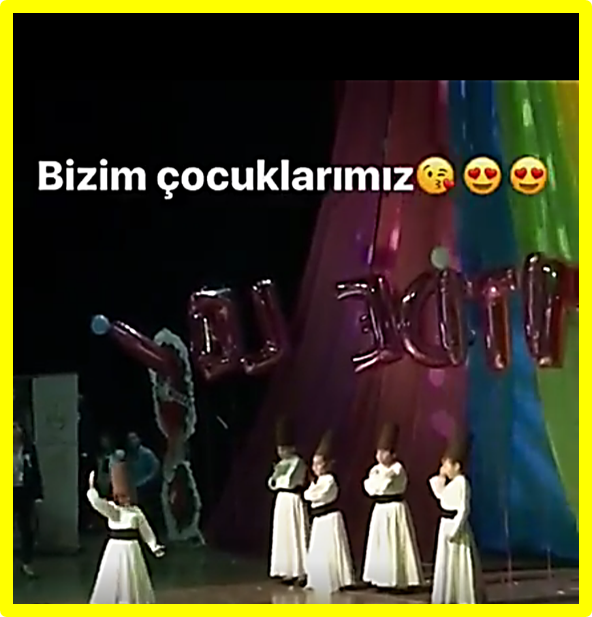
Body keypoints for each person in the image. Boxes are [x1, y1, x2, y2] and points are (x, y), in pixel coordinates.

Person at [87, 461, 165, 603]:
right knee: (115, 576)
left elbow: (145, 530)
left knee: (132, 577)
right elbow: (98, 504)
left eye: (128, 496)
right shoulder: (113, 511)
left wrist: (154, 546)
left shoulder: (136, 512)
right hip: (115, 549)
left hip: (132, 549)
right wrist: (92, 490)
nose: (126, 500)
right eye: (122, 496)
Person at [362, 422, 424, 591]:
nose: (380, 456)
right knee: (381, 543)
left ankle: (399, 579)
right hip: (380, 509)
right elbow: (370, 487)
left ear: (393, 454)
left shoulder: (397, 469)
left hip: (395, 509)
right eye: (379, 452)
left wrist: (379, 482)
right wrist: (376, 484)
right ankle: (381, 578)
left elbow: (384, 484)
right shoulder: (375, 470)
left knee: (396, 543)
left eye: (385, 452)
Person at [428, 432, 485, 604]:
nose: (444, 468)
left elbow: (463, 509)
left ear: (457, 466)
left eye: (447, 465)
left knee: (459, 562)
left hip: (456, 528)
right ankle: (447, 597)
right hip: (445, 525)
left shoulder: (461, 483)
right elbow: (440, 494)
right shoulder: (451, 484)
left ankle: (463, 598)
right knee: (447, 563)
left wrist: (455, 530)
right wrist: (440, 476)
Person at [303, 431, 354, 594]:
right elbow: (307, 495)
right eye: (314, 464)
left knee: (330, 550)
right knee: (318, 550)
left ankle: (334, 578)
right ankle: (318, 578)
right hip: (319, 520)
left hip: (329, 518)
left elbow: (317, 494)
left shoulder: (329, 480)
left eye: (319, 464)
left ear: (327, 464)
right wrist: (311, 491)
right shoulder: (317, 481)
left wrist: (311, 492)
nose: (315, 467)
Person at [267, 416, 308, 586]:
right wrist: (276, 475)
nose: (281, 452)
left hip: (292, 500)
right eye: (279, 448)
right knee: (283, 535)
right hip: (281, 500)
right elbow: (272, 483)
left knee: (295, 534)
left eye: (284, 448)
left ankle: (300, 571)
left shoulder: (298, 462)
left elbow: (289, 481)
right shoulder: (281, 463)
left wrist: (280, 476)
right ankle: (286, 570)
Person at [13, 420, 43, 578]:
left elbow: (36, 472)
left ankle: (27, 563)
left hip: (24, 491)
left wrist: (38, 495)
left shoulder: (28, 449)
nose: (14, 431)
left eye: (16, 427)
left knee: (26, 529)